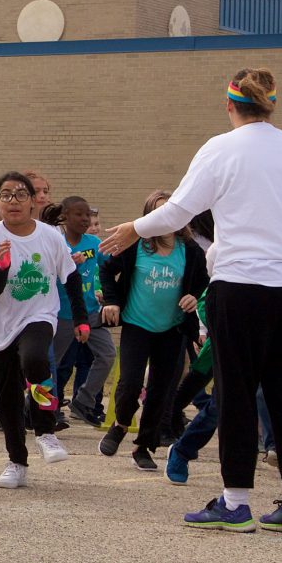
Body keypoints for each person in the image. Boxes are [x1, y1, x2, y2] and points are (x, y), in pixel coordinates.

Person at [100, 68, 282, 536]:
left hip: (243, 285)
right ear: (271, 104)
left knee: (237, 392)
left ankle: (235, 502)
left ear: (229, 105)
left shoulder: (220, 148)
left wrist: (132, 228)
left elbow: (178, 210)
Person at [0, 171, 86, 489]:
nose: (14, 201)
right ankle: (16, 463)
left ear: (33, 200)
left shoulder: (50, 236)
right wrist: (3, 266)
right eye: (6, 195)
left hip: (38, 314)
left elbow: (72, 277)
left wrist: (79, 319)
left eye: (21, 194)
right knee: (7, 397)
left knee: (36, 360)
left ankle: (46, 430)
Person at [97, 191, 209, 470]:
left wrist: (194, 296)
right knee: (131, 383)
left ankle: (144, 446)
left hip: (172, 329)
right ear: (148, 217)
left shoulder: (190, 249)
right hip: (138, 324)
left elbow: (203, 281)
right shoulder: (136, 245)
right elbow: (106, 270)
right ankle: (122, 423)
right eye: (157, 212)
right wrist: (111, 301)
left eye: (169, 211)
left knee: (162, 389)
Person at [51, 196, 117, 425]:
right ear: (65, 216)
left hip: (90, 312)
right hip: (63, 313)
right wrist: (68, 263)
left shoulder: (93, 242)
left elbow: (110, 266)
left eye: (87, 214)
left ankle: (83, 401)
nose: (85, 219)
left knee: (108, 354)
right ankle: (43, 407)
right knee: (53, 363)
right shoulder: (57, 243)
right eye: (79, 214)